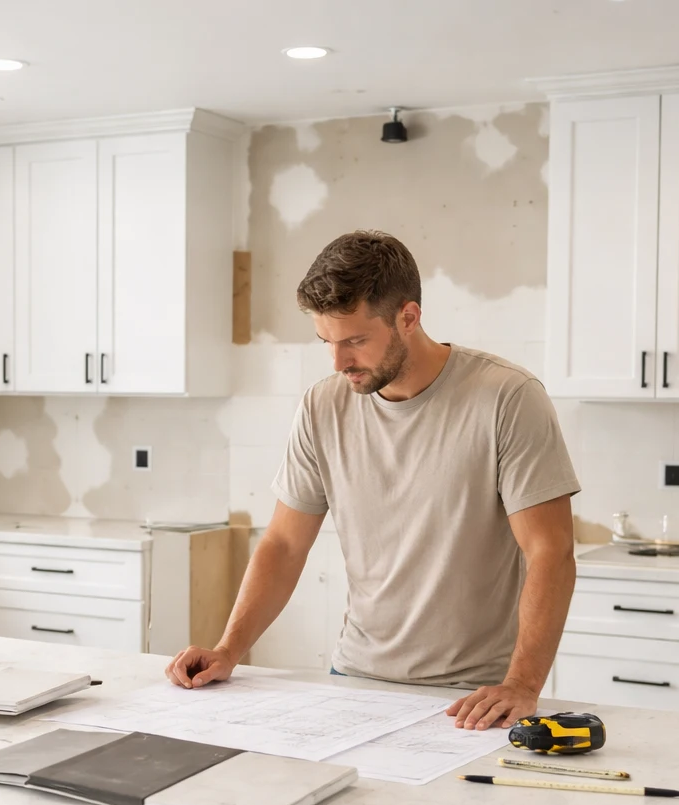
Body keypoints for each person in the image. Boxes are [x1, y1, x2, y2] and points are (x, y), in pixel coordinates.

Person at [166, 231, 579, 730]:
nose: (339, 363)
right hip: (354, 679)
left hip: (473, 695)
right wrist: (230, 648)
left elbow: (550, 551)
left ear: (408, 317)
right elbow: (283, 545)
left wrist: (523, 684)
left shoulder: (507, 398)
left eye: (356, 341)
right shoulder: (324, 406)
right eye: (328, 343)